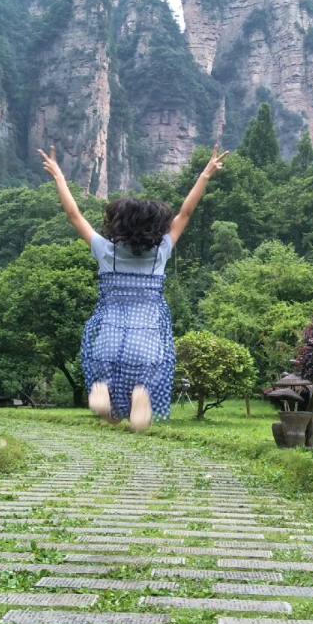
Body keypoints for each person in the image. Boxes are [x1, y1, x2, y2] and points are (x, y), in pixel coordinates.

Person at [39, 144, 228, 432]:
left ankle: (102, 396)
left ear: (116, 224)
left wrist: (59, 177)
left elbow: (73, 215)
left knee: (108, 406)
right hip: (147, 338)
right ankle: (141, 397)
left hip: (109, 338)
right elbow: (186, 213)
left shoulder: (104, 251)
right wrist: (205, 174)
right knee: (145, 383)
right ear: (158, 226)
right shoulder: (161, 251)